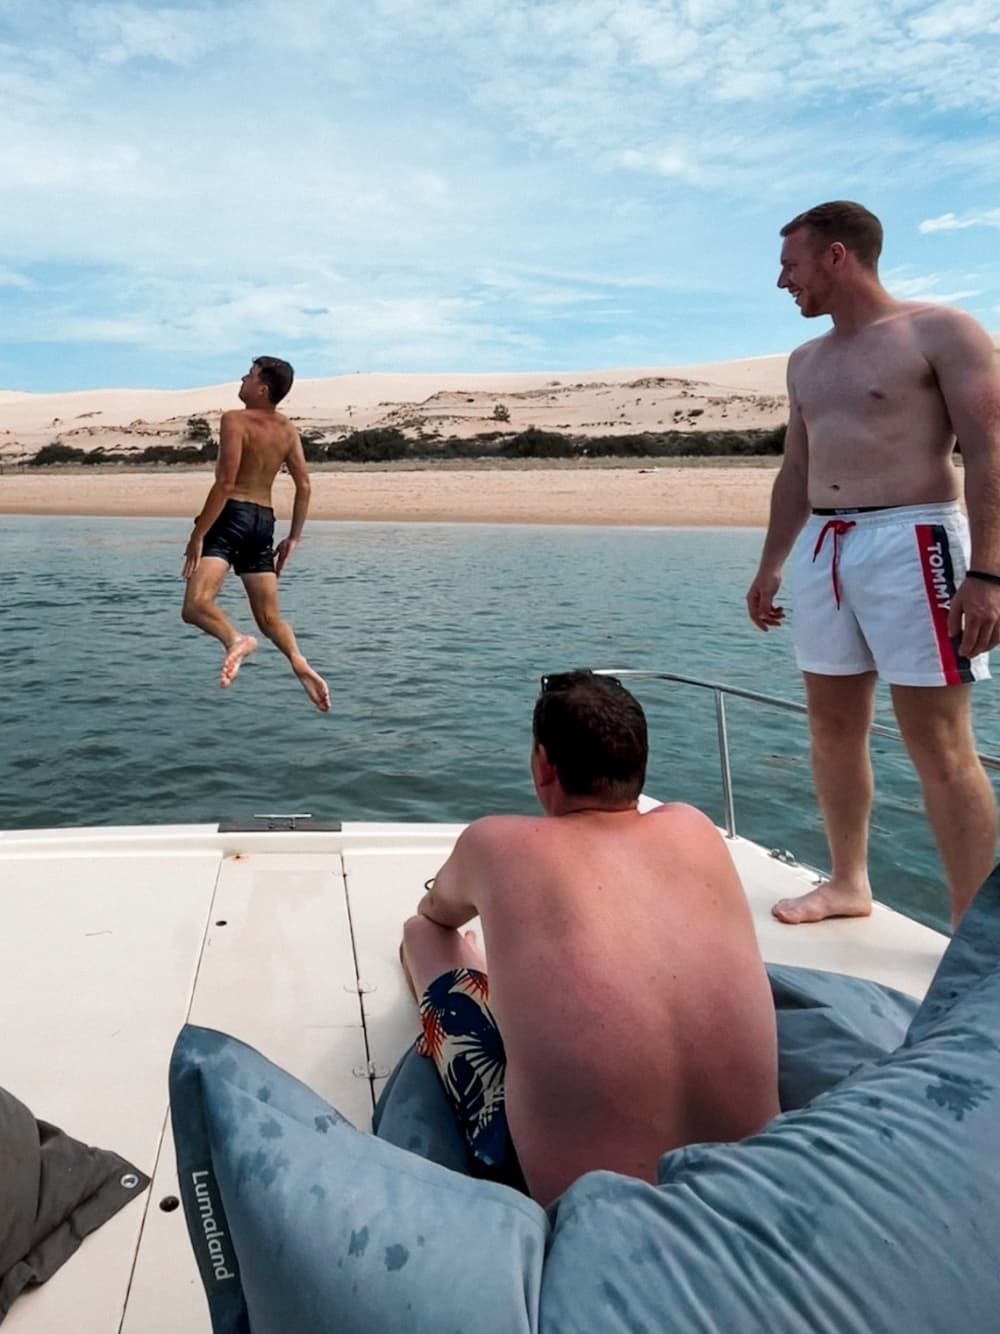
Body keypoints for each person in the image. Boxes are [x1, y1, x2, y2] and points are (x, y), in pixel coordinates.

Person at [398, 670, 779, 1207]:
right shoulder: (694, 827)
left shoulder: (495, 843)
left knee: (421, 937)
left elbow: (436, 914)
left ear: (544, 766)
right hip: (753, 1177)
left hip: (590, 1208)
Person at [747, 201, 1000, 927]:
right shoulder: (806, 361)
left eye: (790, 266)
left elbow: (987, 453)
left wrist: (988, 574)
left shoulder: (940, 332)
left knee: (942, 742)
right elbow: (796, 470)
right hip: (827, 546)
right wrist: (771, 565)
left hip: (914, 539)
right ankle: (849, 881)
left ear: (836, 256)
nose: (782, 282)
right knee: (831, 728)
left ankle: (973, 928)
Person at [181, 357, 330, 712]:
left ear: (262, 389)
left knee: (195, 606)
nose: (243, 379)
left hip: (230, 515)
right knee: (269, 618)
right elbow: (304, 485)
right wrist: (293, 537)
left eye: (249, 376)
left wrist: (199, 534)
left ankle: (236, 639)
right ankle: (297, 659)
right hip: (264, 522)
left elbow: (226, 482)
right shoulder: (287, 429)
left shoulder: (235, 419)